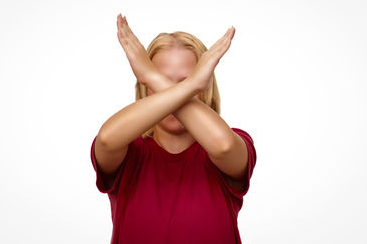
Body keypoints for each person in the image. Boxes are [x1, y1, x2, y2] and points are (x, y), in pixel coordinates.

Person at [90, 13, 257, 244]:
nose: (174, 96)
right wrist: (187, 84)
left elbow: (224, 146)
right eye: (161, 82)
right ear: (145, 89)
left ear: (205, 86)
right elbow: (106, 139)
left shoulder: (236, 139)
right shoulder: (129, 150)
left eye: (187, 83)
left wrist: (151, 76)